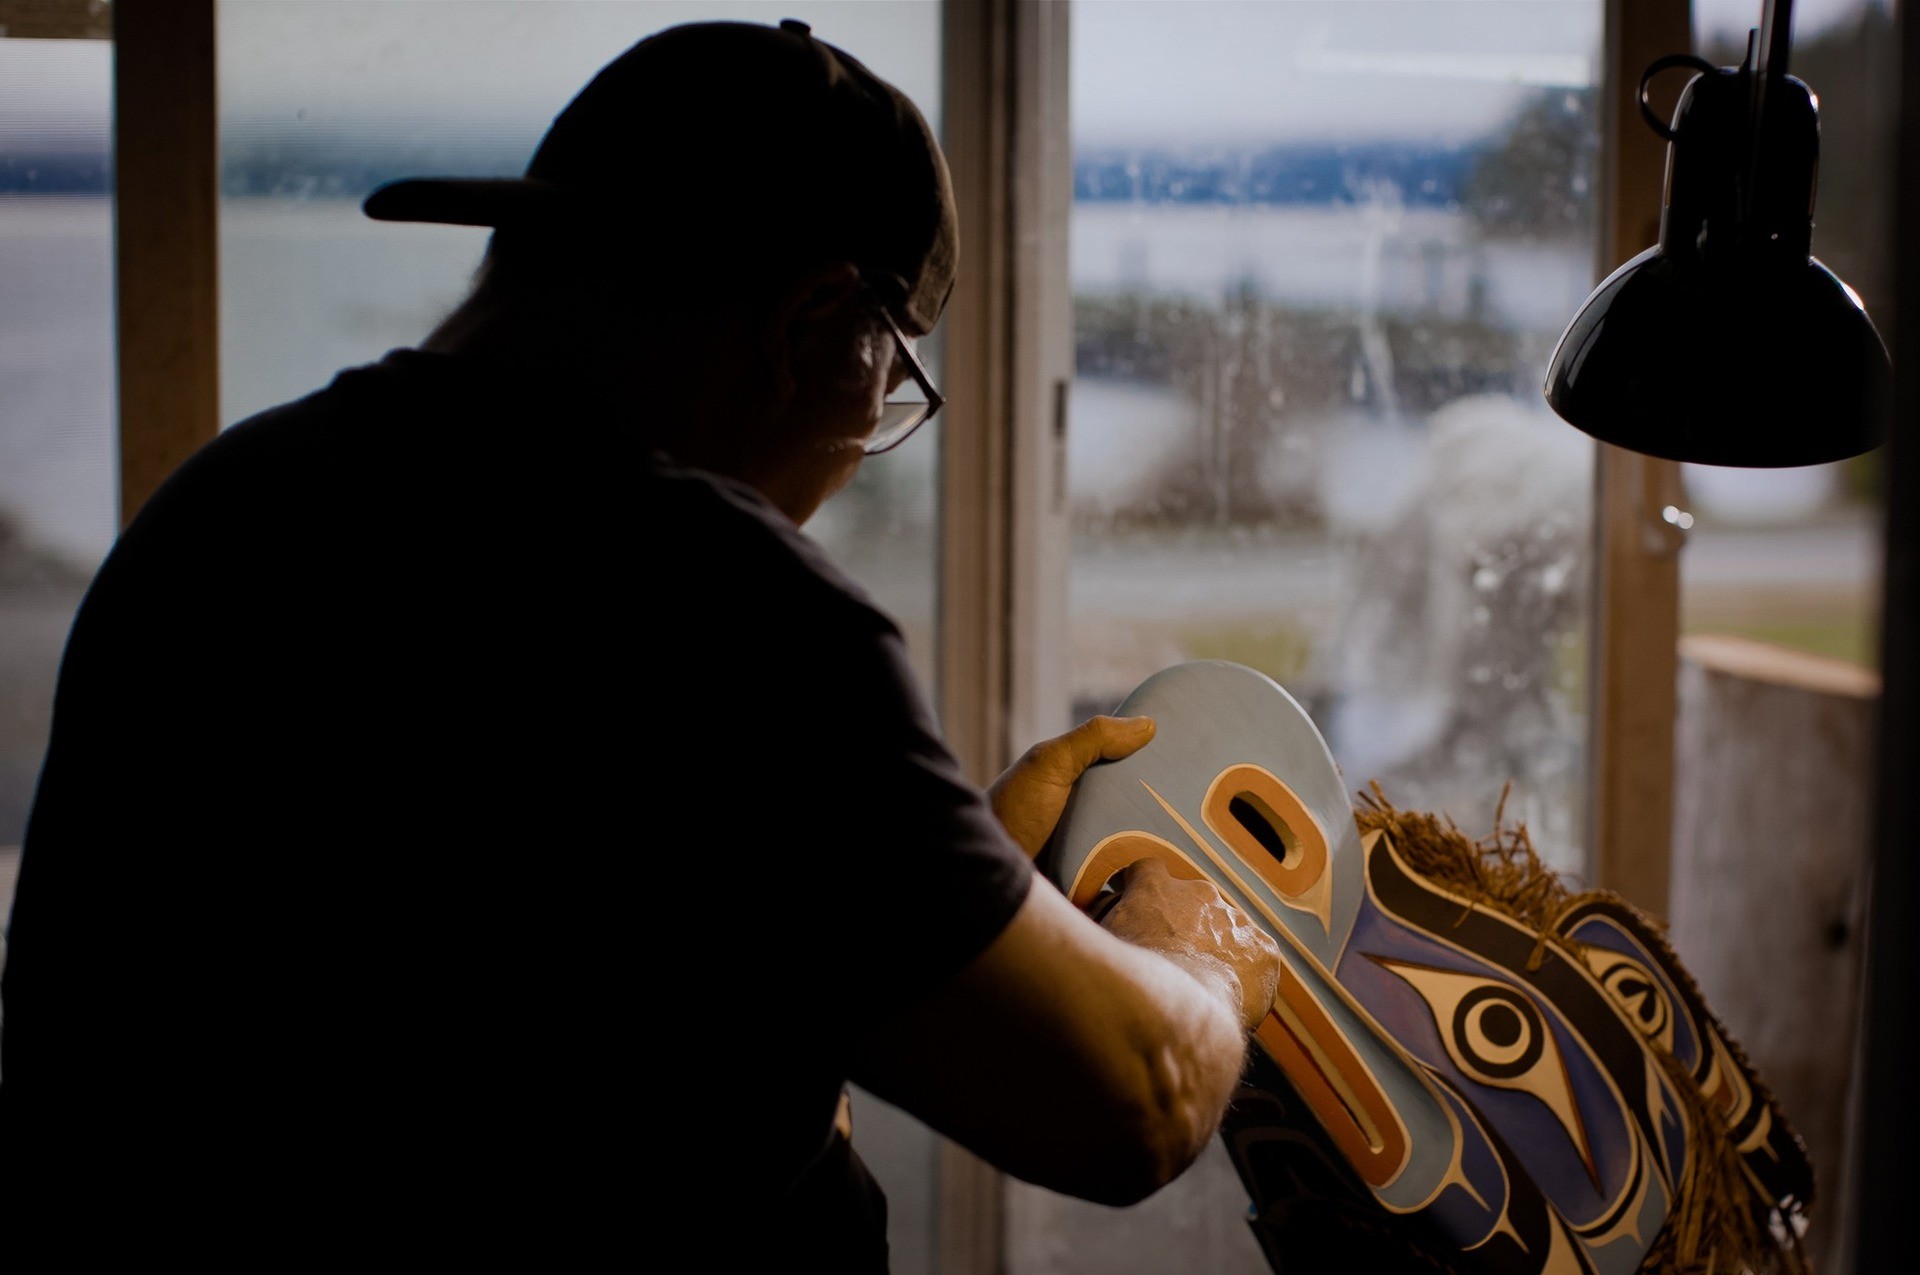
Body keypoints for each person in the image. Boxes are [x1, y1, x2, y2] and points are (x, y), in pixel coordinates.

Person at [0, 18, 1281, 1265]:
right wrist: (1205, 938)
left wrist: (956, 886)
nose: (856, 457)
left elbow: (537, 1017)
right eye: (891, 390)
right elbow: (1134, 1103)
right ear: (814, 322)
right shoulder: (725, 605)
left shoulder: (230, 509)